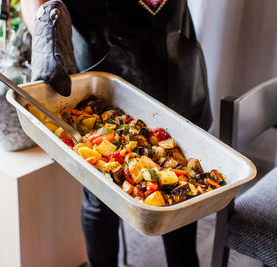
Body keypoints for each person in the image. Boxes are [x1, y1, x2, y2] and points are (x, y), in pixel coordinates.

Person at [21, 1, 212, 266]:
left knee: (183, 191)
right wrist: (45, 38)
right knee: (100, 201)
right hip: (103, 68)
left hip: (175, 57)